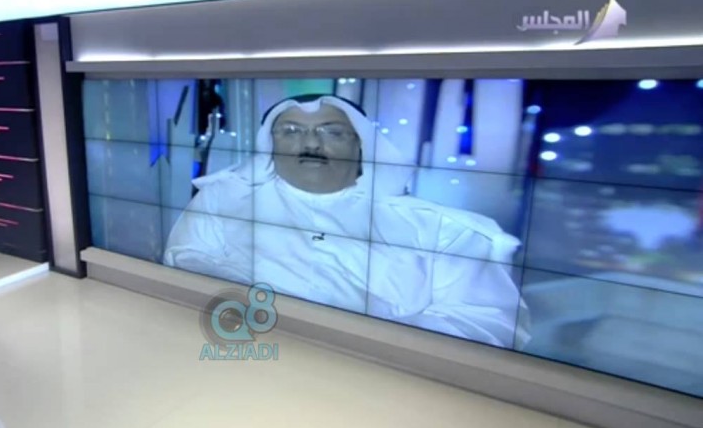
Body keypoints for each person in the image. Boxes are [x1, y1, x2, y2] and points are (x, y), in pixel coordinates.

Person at [164, 94, 529, 348]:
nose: (311, 144)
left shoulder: (440, 230)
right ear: (269, 144)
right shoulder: (223, 198)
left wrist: (368, 337)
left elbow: (488, 322)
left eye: (332, 132)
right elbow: (186, 261)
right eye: (291, 131)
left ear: (361, 144)